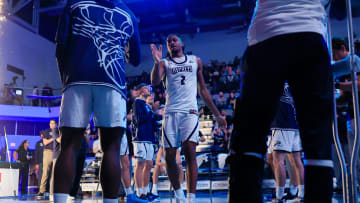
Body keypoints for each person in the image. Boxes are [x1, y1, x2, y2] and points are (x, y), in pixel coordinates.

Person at [229, 1, 334, 202]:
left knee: (249, 140)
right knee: (317, 144)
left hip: (266, 33)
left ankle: (280, 194)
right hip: (308, 29)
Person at [53, 0, 141, 202]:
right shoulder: (128, 13)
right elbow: (135, 58)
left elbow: (60, 47)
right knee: (111, 147)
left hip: (77, 79)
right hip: (113, 82)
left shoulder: (74, 3)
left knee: (69, 145)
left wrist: (66, 80)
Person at [151, 34, 226, 202]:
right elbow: (155, 81)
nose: (171, 43)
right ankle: (179, 195)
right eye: (168, 41)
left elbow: (203, 91)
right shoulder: (165, 63)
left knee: (190, 153)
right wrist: (156, 64)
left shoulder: (195, 61)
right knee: (170, 156)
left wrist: (217, 115)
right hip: (170, 112)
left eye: (174, 40)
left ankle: (191, 198)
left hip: (190, 112)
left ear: (182, 43)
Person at [268, 82, 304, 203]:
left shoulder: (275, 76)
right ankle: (301, 194)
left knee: (278, 160)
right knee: (296, 160)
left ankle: (279, 197)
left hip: (282, 124)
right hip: (295, 124)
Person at [132, 83, 161, 201]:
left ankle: (146, 191)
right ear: (139, 92)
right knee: (140, 165)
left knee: (149, 165)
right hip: (140, 137)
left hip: (149, 138)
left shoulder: (146, 105)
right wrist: (152, 113)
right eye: (144, 88)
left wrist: (158, 121)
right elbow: (140, 119)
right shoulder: (137, 103)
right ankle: (139, 193)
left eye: (148, 88)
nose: (147, 90)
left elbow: (150, 121)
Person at [38, 119, 60, 197]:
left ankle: (52, 191)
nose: (52, 125)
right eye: (50, 123)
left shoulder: (58, 131)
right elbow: (45, 142)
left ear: (56, 124)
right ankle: (41, 191)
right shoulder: (46, 131)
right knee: (45, 173)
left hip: (56, 153)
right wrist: (54, 137)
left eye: (53, 123)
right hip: (47, 152)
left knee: (54, 174)